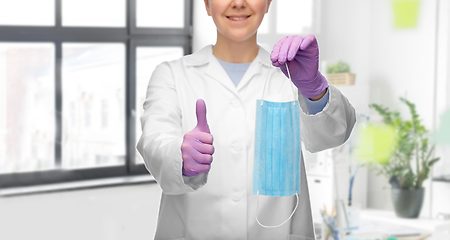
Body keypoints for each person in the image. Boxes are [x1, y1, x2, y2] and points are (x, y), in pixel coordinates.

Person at [137, 0, 356, 239]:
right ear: (207, 5)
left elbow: (332, 135)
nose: (239, 3)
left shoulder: (290, 74)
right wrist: (180, 157)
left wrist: (314, 89)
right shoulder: (172, 74)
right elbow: (153, 142)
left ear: (268, 3)